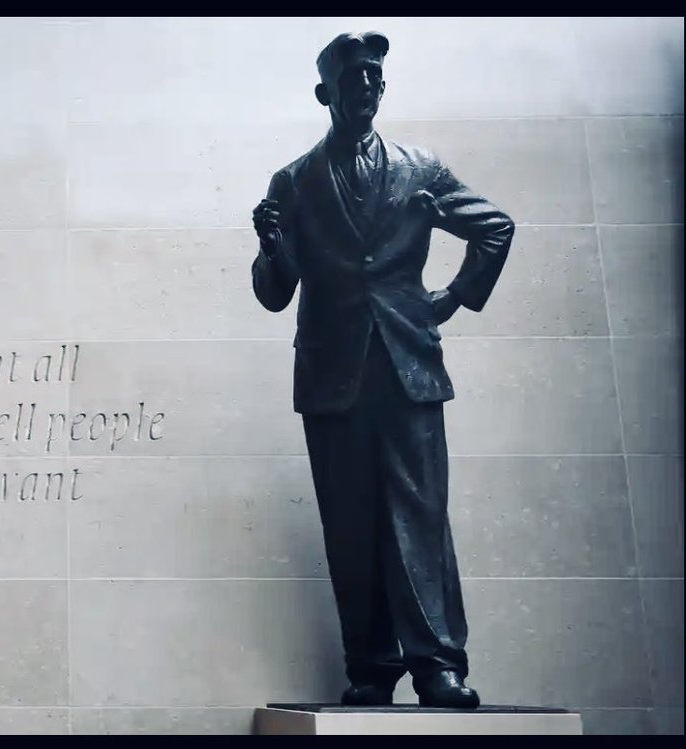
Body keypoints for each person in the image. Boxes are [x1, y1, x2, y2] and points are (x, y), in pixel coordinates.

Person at [250, 31, 515, 709]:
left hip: (406, 366)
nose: (366, 86)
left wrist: (452, 298)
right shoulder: (295, 181)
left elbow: (495, 227)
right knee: (350, 522)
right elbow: (277, 291)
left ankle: (438, 665)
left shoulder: (419, 168)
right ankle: (371, 665)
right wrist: (271, 246)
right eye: (353, 77)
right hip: (332, 375)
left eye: (375, 76)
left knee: (419, 515)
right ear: (325, 93)